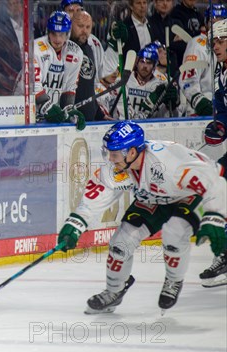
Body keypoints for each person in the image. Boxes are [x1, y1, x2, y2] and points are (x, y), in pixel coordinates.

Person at [58, 120, 226, 314]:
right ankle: (114, 291)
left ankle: (173, 280)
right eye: (109, 153)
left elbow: (216, 181)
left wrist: (215, 216)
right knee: (120, 243)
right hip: (154, 197)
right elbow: (99, 190)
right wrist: (76, 223)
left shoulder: (169, 163)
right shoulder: (120, 167)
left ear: (132, 152)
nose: (111, 159)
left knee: (174, 233)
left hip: (188, 195)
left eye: (115, 154)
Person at [198, 18, 227, 288]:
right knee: (220, 183)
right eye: (213, 42)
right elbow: (222, 108)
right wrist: (219, 126)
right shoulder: (220, 72)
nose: (215, 46)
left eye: (220, 41)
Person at [34, 11, 86, 131]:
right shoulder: (36, 48)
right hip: (30, 114)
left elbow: (70, 87)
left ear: (67, 34)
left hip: (53, 116)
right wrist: (45, 106)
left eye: (61, 34)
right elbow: (33, 85)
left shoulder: (76, 52)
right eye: (54, 34)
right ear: (48, 32)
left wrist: (69, 109)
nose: (57, 39)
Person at [179, 5, 226, 117]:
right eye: (212, 22)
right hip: (201, 112)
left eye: (220, 22)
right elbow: (187, 80)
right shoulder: (198, 45)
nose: (216, 26)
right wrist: (200, 102)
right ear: (206, 23)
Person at [111, 43, 178, 119]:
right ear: (137, 63)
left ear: (154, 66)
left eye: (149, 63)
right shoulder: (124, 81)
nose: (145, 66)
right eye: (142, 62)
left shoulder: (160, 84)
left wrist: (172, 105)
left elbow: (168, 116)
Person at [70, 10, 109, 121]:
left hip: (89, 119)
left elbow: (88, 87)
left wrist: (99, 113)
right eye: (80, 26)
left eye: (88, 27)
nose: (84, 31)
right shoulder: (64, 48)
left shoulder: (89, 49)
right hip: (70, 120)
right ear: (71, 25)